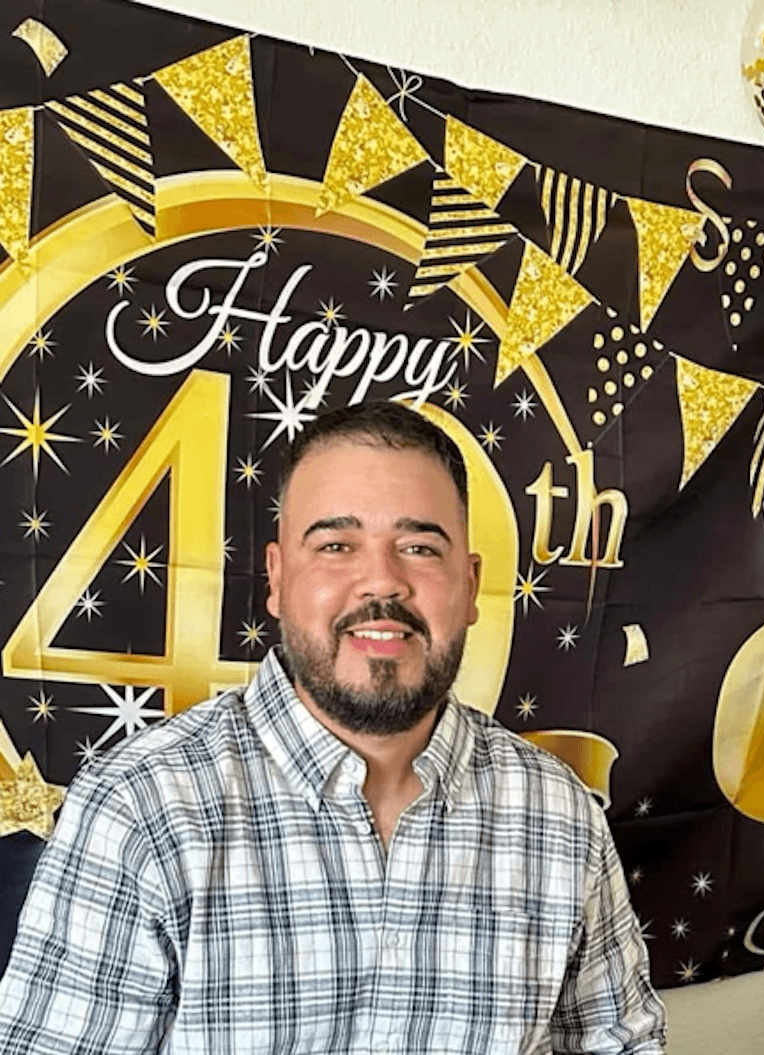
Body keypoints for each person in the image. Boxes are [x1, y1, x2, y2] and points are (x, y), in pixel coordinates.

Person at [0, 401, 666, 1054]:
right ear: (277, 579)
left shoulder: (559, 812)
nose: (381, 580)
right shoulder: (142, 807)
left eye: (419, 546)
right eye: (336, 544)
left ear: (469, 587)